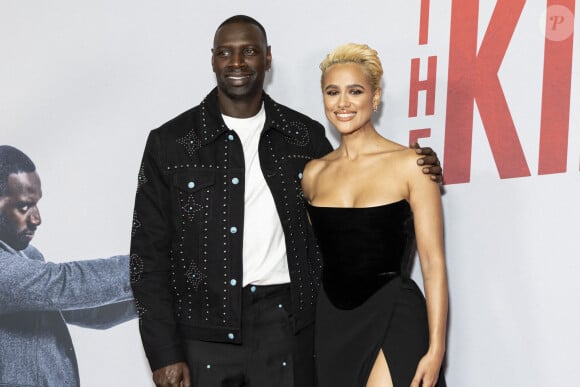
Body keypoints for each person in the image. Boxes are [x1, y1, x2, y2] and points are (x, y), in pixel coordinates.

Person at [130, 15, 442, 387]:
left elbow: (352, 212)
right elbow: (146, 259)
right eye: (225, 53)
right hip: (204, 337)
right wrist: (164, 352)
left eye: (249, 51)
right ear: (212, 60)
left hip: (290, 329)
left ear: (268, 58)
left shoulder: (304, 138)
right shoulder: (171, 143)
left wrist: (420, 166)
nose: (237, 62)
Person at [301, 43, 448, 387]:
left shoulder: (412, 165)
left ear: (376, 96)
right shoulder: (313, 174)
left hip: (394, 314)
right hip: (333, 322)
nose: (343, 103)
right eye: (332, 92)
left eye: (355, 91)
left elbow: (433, 263)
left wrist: (437, 349)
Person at [0, 145, 136, 387]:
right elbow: (65, 284)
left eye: (36, 204)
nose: (37, 219)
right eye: (24, 206)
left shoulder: (27, 256)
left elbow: (87, 310)